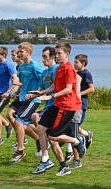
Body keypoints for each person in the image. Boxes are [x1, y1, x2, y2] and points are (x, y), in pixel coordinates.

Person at [30, 42, 86, 176]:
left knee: (53, 136)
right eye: (56, 54)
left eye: (59, 53)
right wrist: (41, 93)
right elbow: (55, 86)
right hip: (57, 104)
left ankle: (77, 140)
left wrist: (51, 97)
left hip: (67, 105)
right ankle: (47, 160)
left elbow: (68, 89)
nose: (57, 56)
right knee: (41, 128)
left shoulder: (69, 69)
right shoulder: (60, 68)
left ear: (67, 54)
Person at [7, 42, 43, 163]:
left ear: (28, 52)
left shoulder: (35, 66)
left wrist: (35, 93)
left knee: (18, 121)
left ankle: (20, 150)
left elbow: (43, 83)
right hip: (23, 98)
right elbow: (23, 83)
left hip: (33, 100)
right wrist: (18, 94)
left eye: (21, 52)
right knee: (21, 124)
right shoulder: (21, 67)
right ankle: (41, 139)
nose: (19, 54)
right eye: (18, 51)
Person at [65, 54, 95, 168]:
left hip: (81, 105)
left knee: (72, 129)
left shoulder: (86, 73)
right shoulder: (75, 73)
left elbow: (92, 88)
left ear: (83, 63)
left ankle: (73, 154)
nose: (74, 64)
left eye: (76, 62)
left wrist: (78, 94)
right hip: (72, 104)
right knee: (71, 128)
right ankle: (86, 135)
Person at [30, 46, 58, 157]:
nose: (42, 60)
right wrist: (32, 94)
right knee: (35, 117)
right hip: (48, 106)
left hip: (56, 104)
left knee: (36, 118)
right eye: (42, 57)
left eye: (45, 57)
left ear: (52, 57)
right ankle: (45, 145)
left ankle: (77, 141)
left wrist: (42, 94)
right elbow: (40, 88)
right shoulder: (45, 72)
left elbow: (55, 86)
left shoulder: (56, 69)